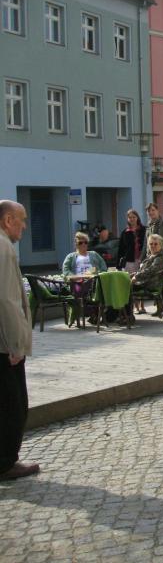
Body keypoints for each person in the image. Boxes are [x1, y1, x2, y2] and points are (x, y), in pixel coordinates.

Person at [0, 200, 39, 481]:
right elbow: (6, 300)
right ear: (7, 220)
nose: (24, 226)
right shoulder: (3, 248)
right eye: (21, 219)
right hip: (5, 345)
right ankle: (5, 462)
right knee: (13, 405)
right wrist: (15, 343)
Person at [130, 234, 163, 315]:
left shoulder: (160, 257)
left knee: (125, 287)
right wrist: (132, 275)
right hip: (146, 281)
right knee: (125, 281)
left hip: (150, 284)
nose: (153, 246)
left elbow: (151, 270)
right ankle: (125, 313)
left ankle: (126, 313)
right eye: (151, 244)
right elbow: (143, 270)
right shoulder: (152, 256)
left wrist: (136, 276)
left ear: (161, 246)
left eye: (155, 244)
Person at [117, 209, 146, 273]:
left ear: (137, 218)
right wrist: (118, 265)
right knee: (129, 278)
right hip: (129, 261)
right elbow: (121, 249)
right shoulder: (124, 232)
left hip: (143, 260)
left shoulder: (144, 230)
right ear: (127, 219)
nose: (132, 219)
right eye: (130, 217)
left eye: (134, 217)